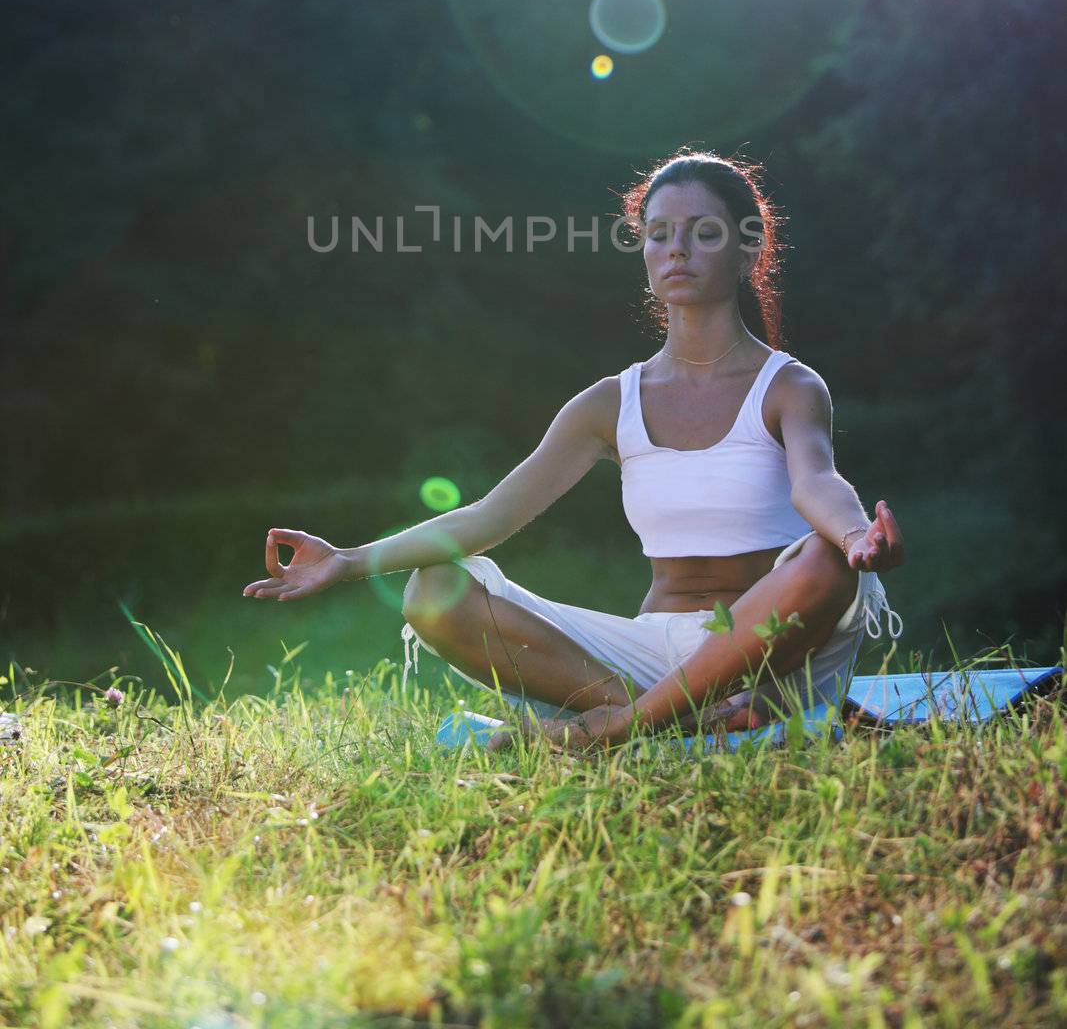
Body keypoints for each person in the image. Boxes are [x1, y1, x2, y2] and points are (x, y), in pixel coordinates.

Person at [242, 148, 905, 754]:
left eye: (702, 232)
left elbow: (813, 482)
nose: (676, 250)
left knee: (825, 560)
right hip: (654, 652)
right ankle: (658, 716)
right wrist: (348, 560)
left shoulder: (786, 385)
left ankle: (617, 728)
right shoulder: (606, 404)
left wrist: (854, 536)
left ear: (746, 248)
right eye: (657, 235)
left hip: (769, 655)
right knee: (434, 586)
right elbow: (488, 518)